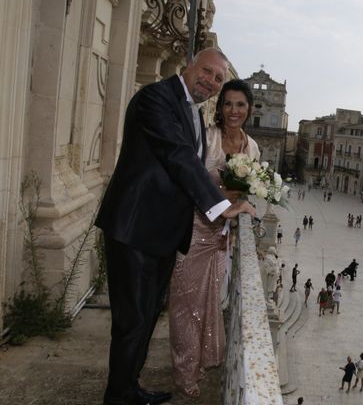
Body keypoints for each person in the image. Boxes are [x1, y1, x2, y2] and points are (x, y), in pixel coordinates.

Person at [95, 49, 255, 405]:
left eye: (218, 78)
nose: (211, 81)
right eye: (207, 71)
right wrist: (220, 207)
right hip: (134, 228)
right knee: (131, 320)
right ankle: (116, 397)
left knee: (148, 316)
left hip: (163, 233)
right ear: (190, 65)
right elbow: (176, 155)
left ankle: (128, 387)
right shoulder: (156, 98)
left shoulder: (194, 113)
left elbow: (187, 164)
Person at [168, 79, 261, 398]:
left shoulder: (253, 147)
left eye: (240, 105)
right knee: (185, 304)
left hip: (222, 237)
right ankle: (184, 373)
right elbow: (189, 180)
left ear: (249, 109)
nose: (234, 111)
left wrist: (242, 202)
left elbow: (250, 188)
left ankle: (201, 363)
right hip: (194, 229)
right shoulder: (206, 138)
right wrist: (226, 199)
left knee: (210, 303)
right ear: (220, 107)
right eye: (228, 104)